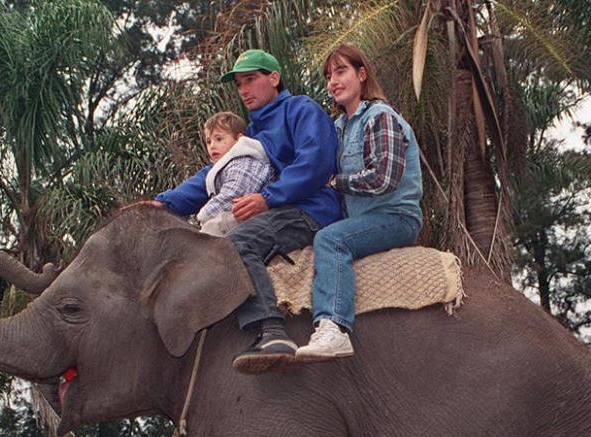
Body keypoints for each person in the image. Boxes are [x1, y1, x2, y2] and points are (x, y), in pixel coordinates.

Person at [154, 49, 341, 371]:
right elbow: (211, 177)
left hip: (309, 209)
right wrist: (163, 202)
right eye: (239, 83)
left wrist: (268, 197)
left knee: (235, 243)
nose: (243, 90)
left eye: (251, 79)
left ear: (274, 78)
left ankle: (271, 332)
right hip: (273, 213)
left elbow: (316, 162)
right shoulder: (251, 135)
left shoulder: (301, 109)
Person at [294, 44, 423, 362]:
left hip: (396, 216)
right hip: (363, 219)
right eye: (328, 76)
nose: (332, 81)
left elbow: (384, 179)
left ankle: (334, 327)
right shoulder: (338, 129)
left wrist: (336, 183)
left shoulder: (380, 117)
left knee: (331, 240)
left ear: (362, 75)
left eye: (341, 72)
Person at [195, 111, 275, 238]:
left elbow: (233, 194)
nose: (213, 146)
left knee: (211, 230)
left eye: (219, 139)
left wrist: (203, 215)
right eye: (209, 142)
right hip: (239, 216)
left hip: (251, 217)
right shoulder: (228, 164)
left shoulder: (245, 162)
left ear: (239, 139)